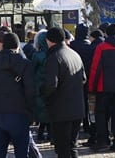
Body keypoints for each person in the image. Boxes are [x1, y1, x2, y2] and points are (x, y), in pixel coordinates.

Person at [0, 31, 36, 158]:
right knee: (22, 153)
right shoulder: (25, 64)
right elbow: (31, 91)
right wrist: (30, 112)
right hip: (20, 114)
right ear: (17, 47)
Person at [42, 27, 86, 158]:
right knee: (72, 146)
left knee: (62, 149)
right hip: (77, 108)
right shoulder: (74, 54)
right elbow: (83, 78)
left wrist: (43, 96)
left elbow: (50, 85)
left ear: (49, 41)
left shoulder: (54, 57)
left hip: (61, 110)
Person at [88, 23, 115, 151]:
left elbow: (95, 68)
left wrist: (92, 87)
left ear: (106, 33)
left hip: (103, 87)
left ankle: (103, 140)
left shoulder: (101, 47)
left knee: (101, 114)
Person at [31, 30, 51, 142]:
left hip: (39, 85)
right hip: (51, 85)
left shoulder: (37, 55)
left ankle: (40, 133)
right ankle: (50, 134)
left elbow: (32, 70)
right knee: (49, 110)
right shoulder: (53, 53)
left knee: (42, 111)